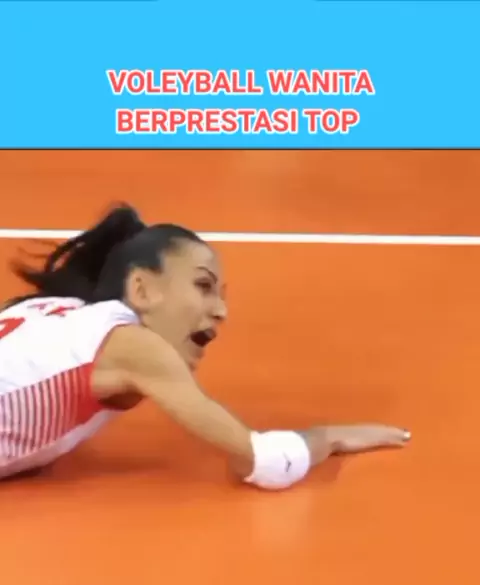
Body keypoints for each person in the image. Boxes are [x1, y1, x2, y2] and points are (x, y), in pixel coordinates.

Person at [0, 203, 410, 487]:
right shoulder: (133, 347)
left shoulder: (52, 311)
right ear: (141, 289)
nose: (221, 311)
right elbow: (266, 462)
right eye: (203, 286)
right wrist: (329, 437)